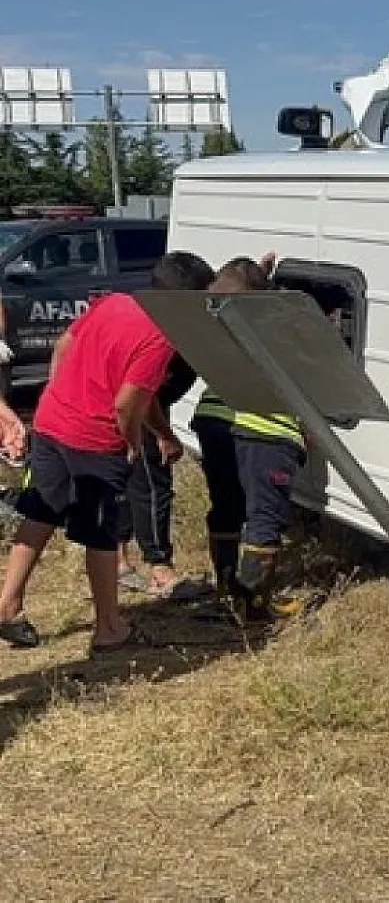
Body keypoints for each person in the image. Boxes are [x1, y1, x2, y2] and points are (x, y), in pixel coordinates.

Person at [0, 250, 214, 653]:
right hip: (94, 441)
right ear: (184, 298)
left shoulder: (113, 302)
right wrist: (132, 442)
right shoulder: (160, 338)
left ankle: (8, 605)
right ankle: (110, 628)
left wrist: (162, 433)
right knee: (101, 534)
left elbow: (64, 347)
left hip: (50, 422)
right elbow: (125, 404)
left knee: (40, 512)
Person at [192, 254, 308, 624]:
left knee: (226, 507)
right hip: (265, 428)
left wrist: (259, 272)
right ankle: (256, 606)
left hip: (214, 419)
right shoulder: (277, 326)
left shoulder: (217, 316)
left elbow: (236, 284)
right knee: (264, 517)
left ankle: (228, 593)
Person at [113, 254, 216, 599]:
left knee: (125, 482)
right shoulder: (160, 330)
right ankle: (160, 569)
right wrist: (165, 436)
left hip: (129, 406)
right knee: (152, 485)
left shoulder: (135, 307)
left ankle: (119, 560)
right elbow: (146, 393)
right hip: (139, 411)